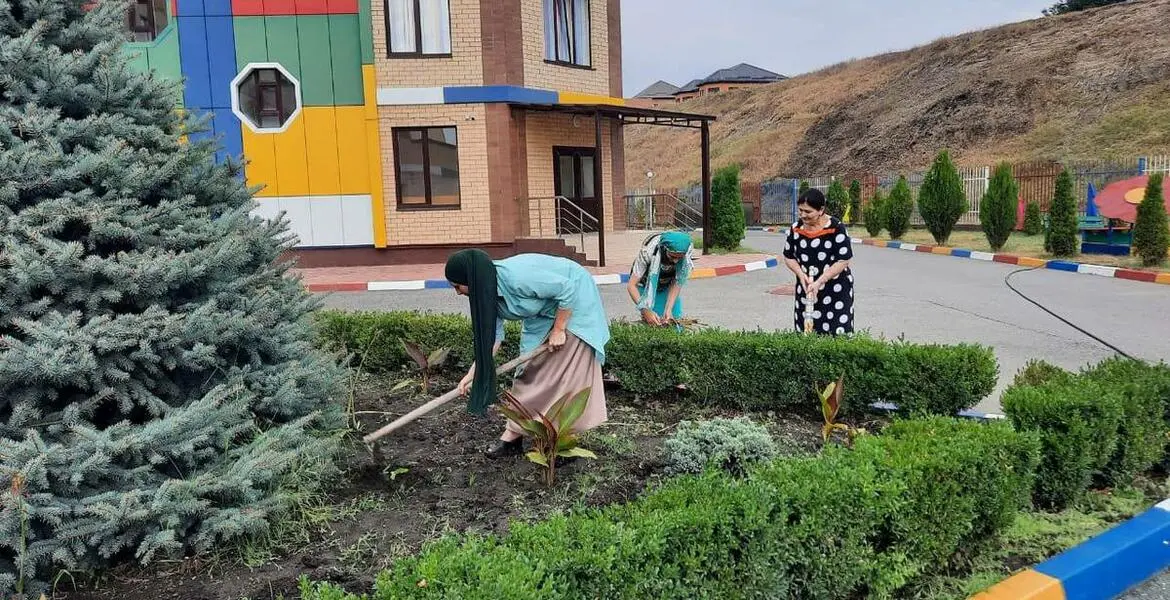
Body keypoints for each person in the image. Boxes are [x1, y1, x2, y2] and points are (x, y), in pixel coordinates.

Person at [445, 250, 610, 459]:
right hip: (542, 314)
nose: (458, 293)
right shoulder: (484, 295)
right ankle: (513, 439)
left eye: (457, 286)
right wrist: (473, 374)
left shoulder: (516, 277)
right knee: (528, 372)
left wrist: (559, 329)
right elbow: (492, 340)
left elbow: (566, 288)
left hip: (573, 302)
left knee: (564, 377)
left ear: (471, 279)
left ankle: (562, 443)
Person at [782, 189, 855, 335]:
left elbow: (843, 260)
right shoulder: (795, 229)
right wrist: (800, 275)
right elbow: (788, 256)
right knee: (806, 332)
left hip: (836, 290)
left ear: (821, 210)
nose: (803, 215)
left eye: (808, 212)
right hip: (807, 289)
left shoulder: (836, 228)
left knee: (837, 333)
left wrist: (820, 281)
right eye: (800, 210)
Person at [626, 231, 694, 326]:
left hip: (667, 284)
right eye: (673, 256)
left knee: (673, 321)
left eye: (680, 258)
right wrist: (645, 309)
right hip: (646, 285)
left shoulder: (687, 251)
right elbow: (631, 285)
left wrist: (668, 309)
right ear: (664, 249)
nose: (675, 261)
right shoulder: (648, 252)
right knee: (652, 322)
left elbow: (677, 282)